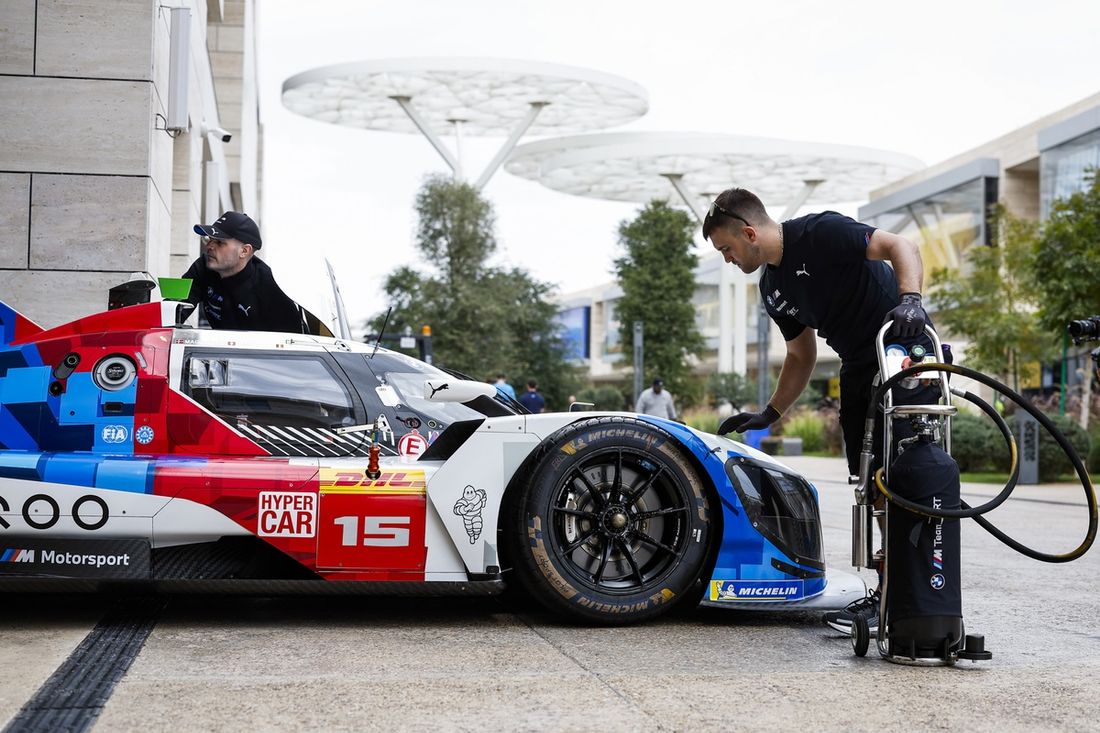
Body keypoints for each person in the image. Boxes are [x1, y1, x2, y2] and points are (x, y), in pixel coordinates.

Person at [703, 188, 933, 635]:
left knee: (911, 471)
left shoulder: (821, 232)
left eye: (727, 249)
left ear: (749, 233)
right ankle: (891, 594)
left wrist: (912, 301)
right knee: (873, 483)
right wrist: (770, 413)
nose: (727, 260)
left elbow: (901, 245)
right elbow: (800, 357)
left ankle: (922, 589)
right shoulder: (772, 287)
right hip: (856, 365)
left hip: (899, 347)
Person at [183, 211, 304, 333]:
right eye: (210, 239)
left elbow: (294, 343)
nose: (209, 246)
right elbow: (175, 309)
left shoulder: (270, 288)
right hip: (220, 348)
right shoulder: (203, 267)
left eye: (220, 242)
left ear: (244, 251)